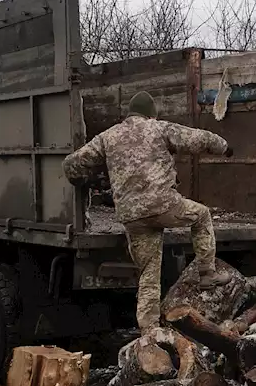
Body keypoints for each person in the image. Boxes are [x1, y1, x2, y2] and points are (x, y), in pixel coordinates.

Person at [64, 90, 233, 332]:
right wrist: (225, 148)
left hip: (132, 217)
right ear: (150, 114)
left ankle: (149, 331)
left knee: (148, 274)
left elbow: (71, 164)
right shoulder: (159, 128)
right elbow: (199, 139)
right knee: (202, 215)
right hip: (164, 206)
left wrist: (81, 181)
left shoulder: (107, 136)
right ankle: (207, 273)